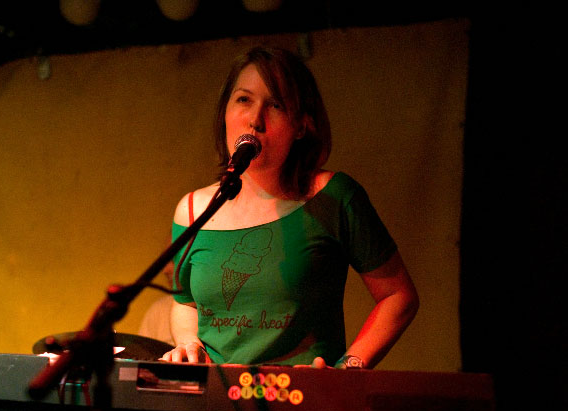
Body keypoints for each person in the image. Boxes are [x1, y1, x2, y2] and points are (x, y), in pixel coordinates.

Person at [159, 46, 419, 369]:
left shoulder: (334, 197)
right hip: (218, 395)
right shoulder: (193, 209)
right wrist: (188, 342)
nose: (255, 120)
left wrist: (348, 368)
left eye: (276, 105)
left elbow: (398, 296)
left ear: (301, 125)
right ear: (224, 111)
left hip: (304, 395)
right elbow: (185, 302)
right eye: (243, 99)